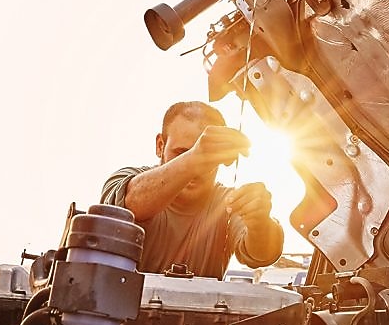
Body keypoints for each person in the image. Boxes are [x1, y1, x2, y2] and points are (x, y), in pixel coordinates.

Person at [101, 101, 284, 278]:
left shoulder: (227, 202)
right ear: (160, 146)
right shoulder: (127, 179)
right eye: (181, 153)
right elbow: (126, 206)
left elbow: (263, 254)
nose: (197, 169)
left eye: (209, 156)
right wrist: (195, 158)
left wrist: (259, 221)